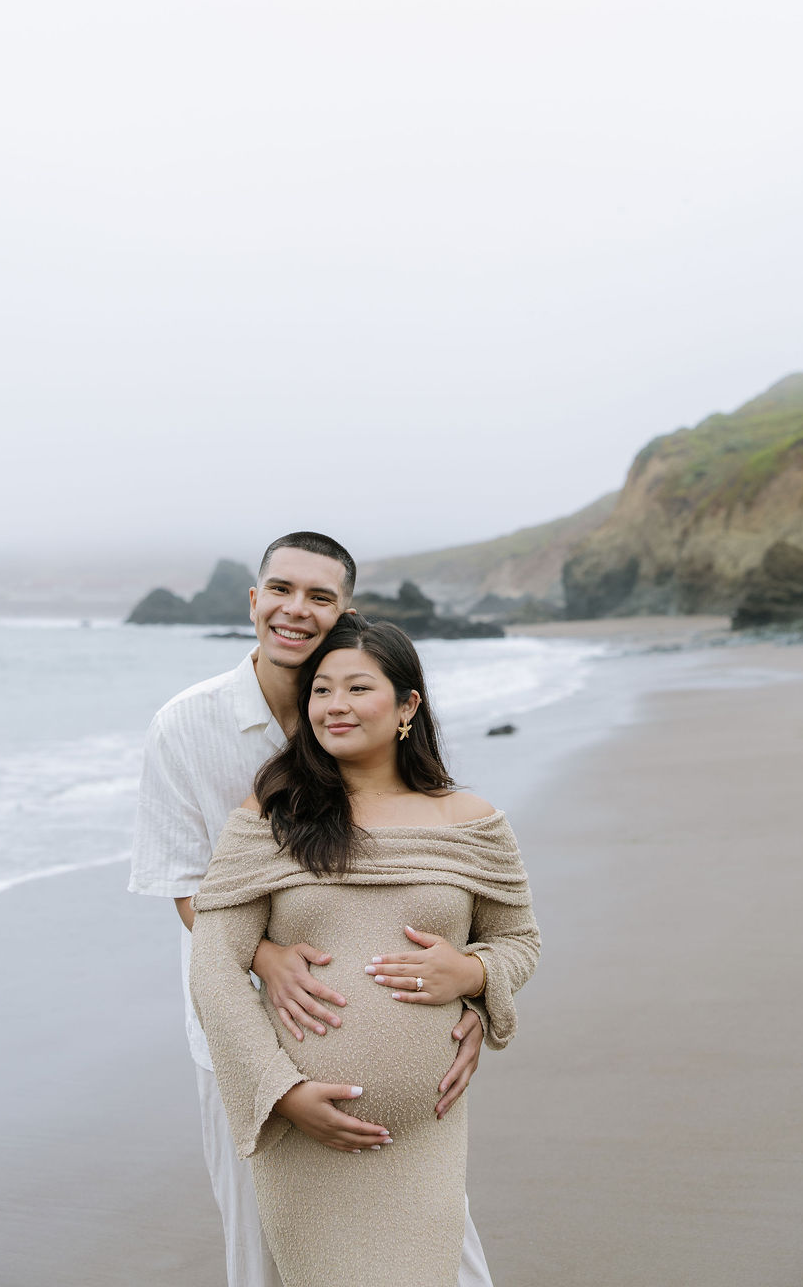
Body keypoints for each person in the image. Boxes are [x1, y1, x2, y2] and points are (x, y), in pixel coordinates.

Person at [129, 532, 490, 1287]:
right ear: (254, 600)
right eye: (282, 590)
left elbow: (437, 881)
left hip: (403, 1058)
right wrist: (263, 956)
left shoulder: (367, 713)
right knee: (263, 1254)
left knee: (444, 1253)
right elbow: (184, 881)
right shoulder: (184, 727)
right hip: (242, 1040)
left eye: (320, 597)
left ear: (344, 613)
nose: (296, 610)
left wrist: (476, 990)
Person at [189, 615, 540, 1287]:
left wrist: (472, 973)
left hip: (425, 1136)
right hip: (304, 1141)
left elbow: (519, 940)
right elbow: (214, 966)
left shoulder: (471, 822)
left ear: (408, 705)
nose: (335, 706)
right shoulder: (271, 816)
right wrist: (281, 1092)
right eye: (321, 691)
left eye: (357, 688)